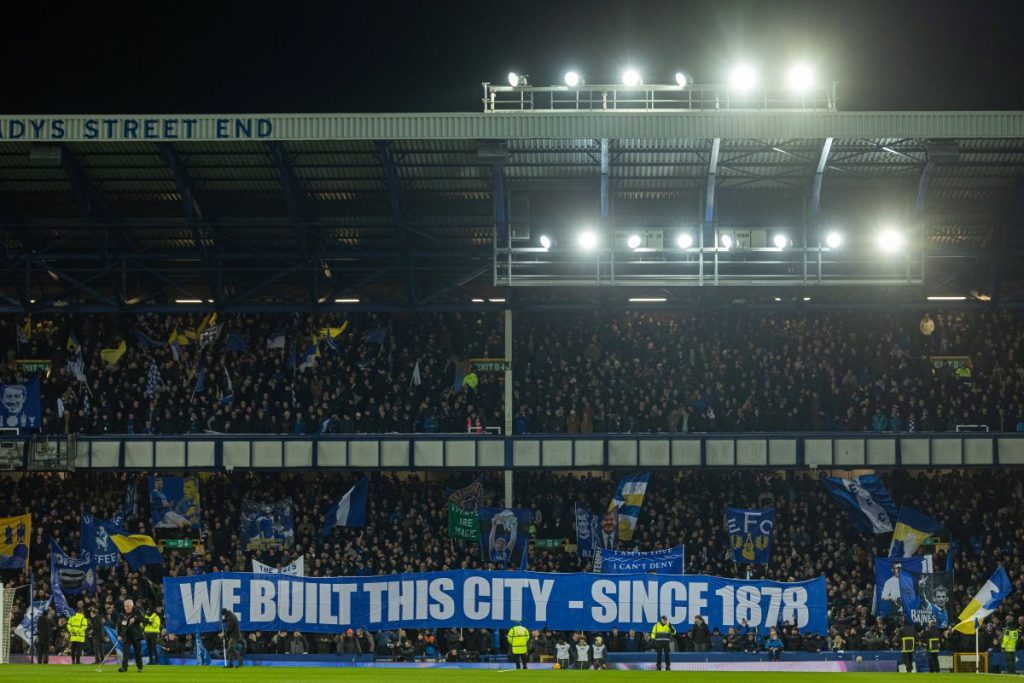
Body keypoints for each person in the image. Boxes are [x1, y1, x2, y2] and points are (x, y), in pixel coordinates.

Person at [117, 598, 145, 673]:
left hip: (136, 636)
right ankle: (124, 668)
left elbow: (143, 619)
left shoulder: (137, 612)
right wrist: (119, 635)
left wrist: (135, 619)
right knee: (125, 652)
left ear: (132, 606)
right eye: (125, 606)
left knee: (137, 652)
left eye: (128, 606)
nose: (126, 608)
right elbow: (119, 626)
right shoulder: (122, 614)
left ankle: (140, 667)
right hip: (126, 636)